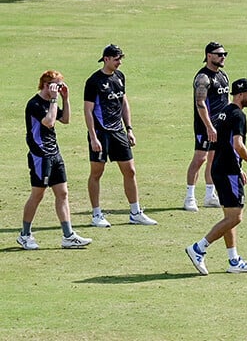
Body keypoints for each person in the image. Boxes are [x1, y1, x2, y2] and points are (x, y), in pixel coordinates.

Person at [186, 78, 247, 275]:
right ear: (240, 94)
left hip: (221, 169)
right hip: (227, 171)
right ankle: (199, 248)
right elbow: (237, 145)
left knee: (229, 216)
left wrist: (239, 169)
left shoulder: (223, 113)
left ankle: (233, 260)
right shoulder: (238, 115)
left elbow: (222, 145)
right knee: (236, 217)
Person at [17, 70, 92, 250]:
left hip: (54, 153)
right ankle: (24, 235)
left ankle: (68, 236)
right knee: (38, 194)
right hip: (40, 156)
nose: (58, 88)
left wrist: (65, 99)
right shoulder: (34, 103)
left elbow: (65, 119)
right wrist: (53, 99)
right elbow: (49, 122)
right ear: (45, 85)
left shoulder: (52, 101)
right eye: (56, 85)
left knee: (63, 193)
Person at [84, 44, 157, 227]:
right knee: (97, 173)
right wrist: (93, 137)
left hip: (118, 132)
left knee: (130, 171)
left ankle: (135, 212)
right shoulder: (94, 81)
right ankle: (96, 214)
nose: (119, 62)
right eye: (116, 59)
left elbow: (124, 103)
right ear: (106, 59)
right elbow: (88, 110)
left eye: (120, 58)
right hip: (101, 133)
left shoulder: (120, 77)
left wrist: (129, 129)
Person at [184, 42, 230, 212]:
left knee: (214, 159)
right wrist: (209, 127)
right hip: (205, 126)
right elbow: (200, 103)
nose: (223, 57)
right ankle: (189, 197)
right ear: (209, 56)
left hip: (220, 126)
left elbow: (226, 101)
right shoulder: (203, 78)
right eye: (219, 54)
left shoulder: (223, 76)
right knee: (200, 159)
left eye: (224, 54)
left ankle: (210, 195)